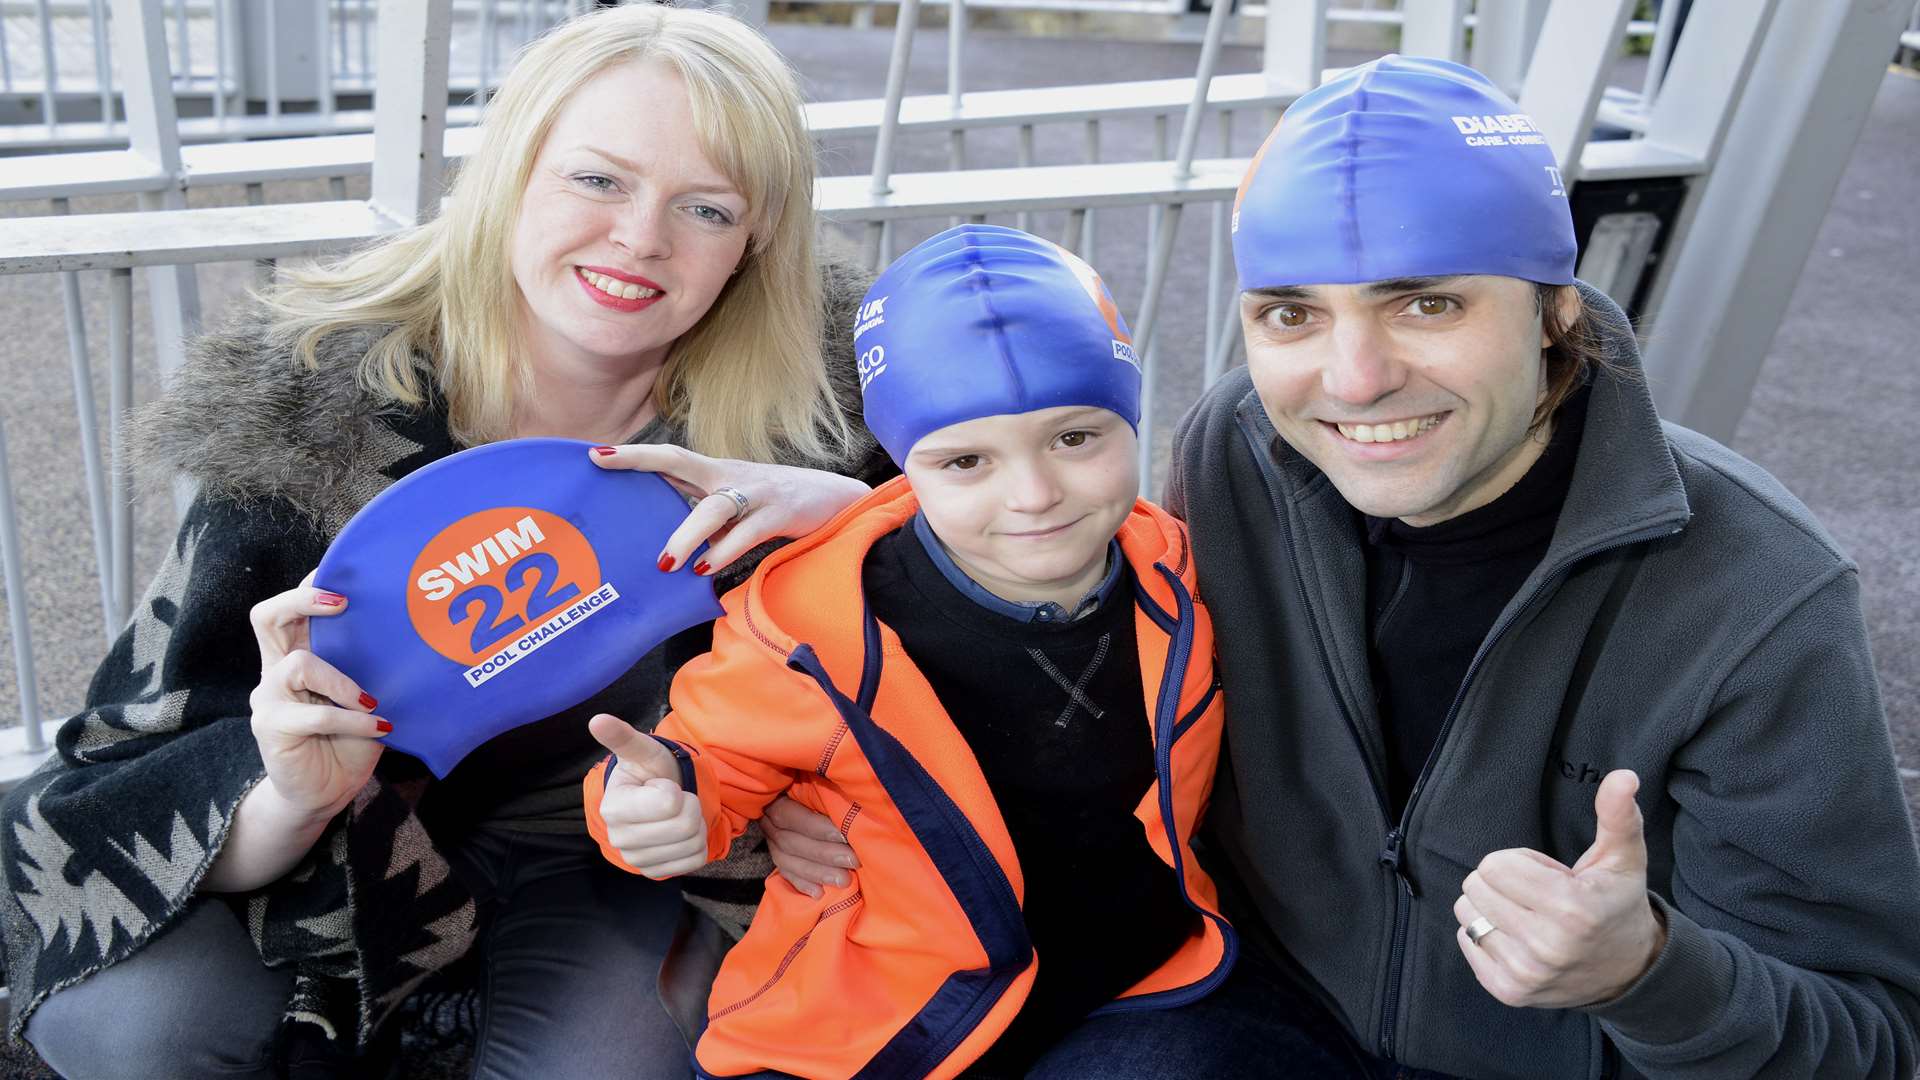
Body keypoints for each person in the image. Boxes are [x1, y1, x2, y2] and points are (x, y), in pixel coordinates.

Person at [767, 55, 1920, 1079]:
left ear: (1555, 309)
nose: (1354, 378)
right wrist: (878, 530)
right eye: (1290, 315)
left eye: (1426, 302)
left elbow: (1873, 1034)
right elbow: (1096, 640)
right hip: (1243, 1006)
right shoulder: (1240, 445)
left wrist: (1647, 973)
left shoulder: (1757, 592)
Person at [0, 6, 892, 1079]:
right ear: (511, 171)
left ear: (754, 244)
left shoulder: (828, 419)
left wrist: (852, 527)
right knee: (144, 1032)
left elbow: (1021, 632)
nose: (641, 239)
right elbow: (139, 758)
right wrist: (290, 792)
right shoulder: (317, 407)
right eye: (598, 180)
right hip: (324, 852)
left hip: (615, 856)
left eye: (705, 207)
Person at [584, 225, 1243, 1080]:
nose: (1035, 494)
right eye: (966, 460)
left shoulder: (1178, 570)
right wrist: (653, 802)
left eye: (1076, 438)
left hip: (1135, 986)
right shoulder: (810, 628)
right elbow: (701, 761)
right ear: (902, 464)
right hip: (880, 1026)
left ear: (1131, 420)